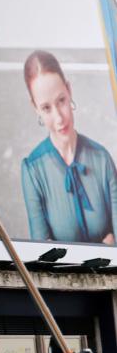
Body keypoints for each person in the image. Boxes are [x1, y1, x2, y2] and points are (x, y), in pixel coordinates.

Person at [19, 50, 117, 244]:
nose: (59, 118)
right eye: (46, 108)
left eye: (61, 101)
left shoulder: (102, 159)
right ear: (35, 108)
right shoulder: (33, 170)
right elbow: (42, 254)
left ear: (69, 90)